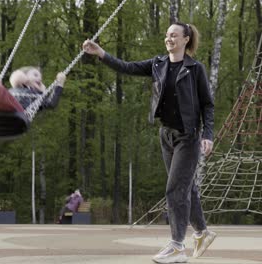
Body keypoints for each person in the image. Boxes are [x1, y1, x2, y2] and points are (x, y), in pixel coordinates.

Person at [83, 21, 216, 263]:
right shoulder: (158, 64)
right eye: (167, 35)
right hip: (166, 135)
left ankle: (177, 246)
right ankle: (202, 232)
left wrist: (208, 134)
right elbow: (128, 67)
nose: (169, 39)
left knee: (175, 189)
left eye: (174, 35)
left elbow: (207, 104)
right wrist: (101, 53)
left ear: (186, 39)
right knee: (187, 188)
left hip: (188, 136)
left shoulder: (195, 69)